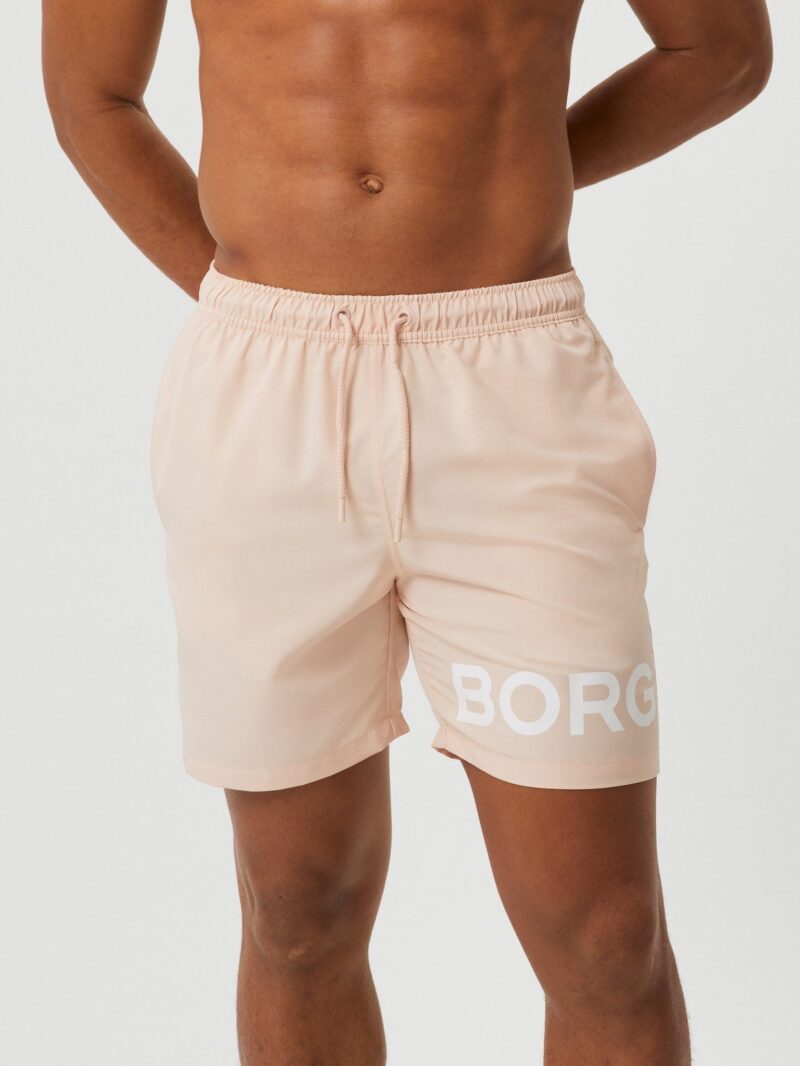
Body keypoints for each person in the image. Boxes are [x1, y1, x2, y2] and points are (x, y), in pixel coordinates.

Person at [42, 1, 771, 1063]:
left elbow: (720, 51)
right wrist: (244, 288)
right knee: (297, 907)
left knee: (607, 935)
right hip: (265, 387)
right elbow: (91, 97)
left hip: (511, 389)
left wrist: (512, 170)